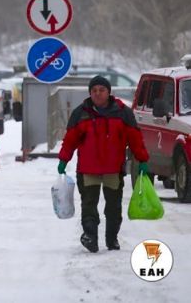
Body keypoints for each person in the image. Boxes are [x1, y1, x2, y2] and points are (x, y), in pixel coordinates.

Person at [58, 75, 149, 253]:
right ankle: (90, 236)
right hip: (88, 169)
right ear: (90, 93)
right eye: (94, 91)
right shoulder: (80, 113)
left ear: (109, 92)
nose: (97, 93)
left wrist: (142, 159)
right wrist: (63, 159)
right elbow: (70, 140)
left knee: (114, 207)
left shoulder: (123, 113)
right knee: (89, 205)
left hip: (113, 170)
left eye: (101, 90)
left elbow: (135, 139)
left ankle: (112, 239)